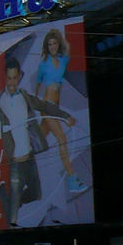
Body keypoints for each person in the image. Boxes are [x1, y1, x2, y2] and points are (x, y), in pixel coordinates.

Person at [0, 55, 75, 227]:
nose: (12, 82)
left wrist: (65, 116)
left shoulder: (25, 97)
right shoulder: (0, 101)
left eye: (15, 78)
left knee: (36, 194)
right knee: (12, 218)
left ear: (19, 76)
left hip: (30, 158)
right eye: (9, 78)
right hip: (15, 163)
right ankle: (11, 206)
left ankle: (9, 198)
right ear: (5, 78)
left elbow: (44, 106)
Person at [33, 28, 87, 194]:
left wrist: (58, 34)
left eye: (54, 43)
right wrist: (36, 103)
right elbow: (38, 84)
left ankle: (20, 162)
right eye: (49, 44)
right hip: (47, 105)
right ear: (47, 47)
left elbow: (68, 47)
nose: (52, 46)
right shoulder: (44, 64)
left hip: (55, 106)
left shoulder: (63, 60)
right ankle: (72, 179)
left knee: (39, 141)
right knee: (62, 139)